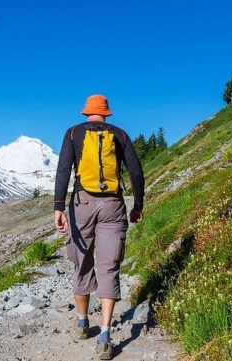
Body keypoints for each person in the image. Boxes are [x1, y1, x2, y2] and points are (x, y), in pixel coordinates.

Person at [54, 94, 144, 360]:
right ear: (106, 113)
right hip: (113, 206)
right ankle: (105, 335)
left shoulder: (73, 133)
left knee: (82, 261)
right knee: (109, 265)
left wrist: (59, 208)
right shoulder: (120, 135)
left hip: (81, 203)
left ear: (86, 113)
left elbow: (63, 171)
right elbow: (136, 172)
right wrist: (138, 204)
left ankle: (83, 323)